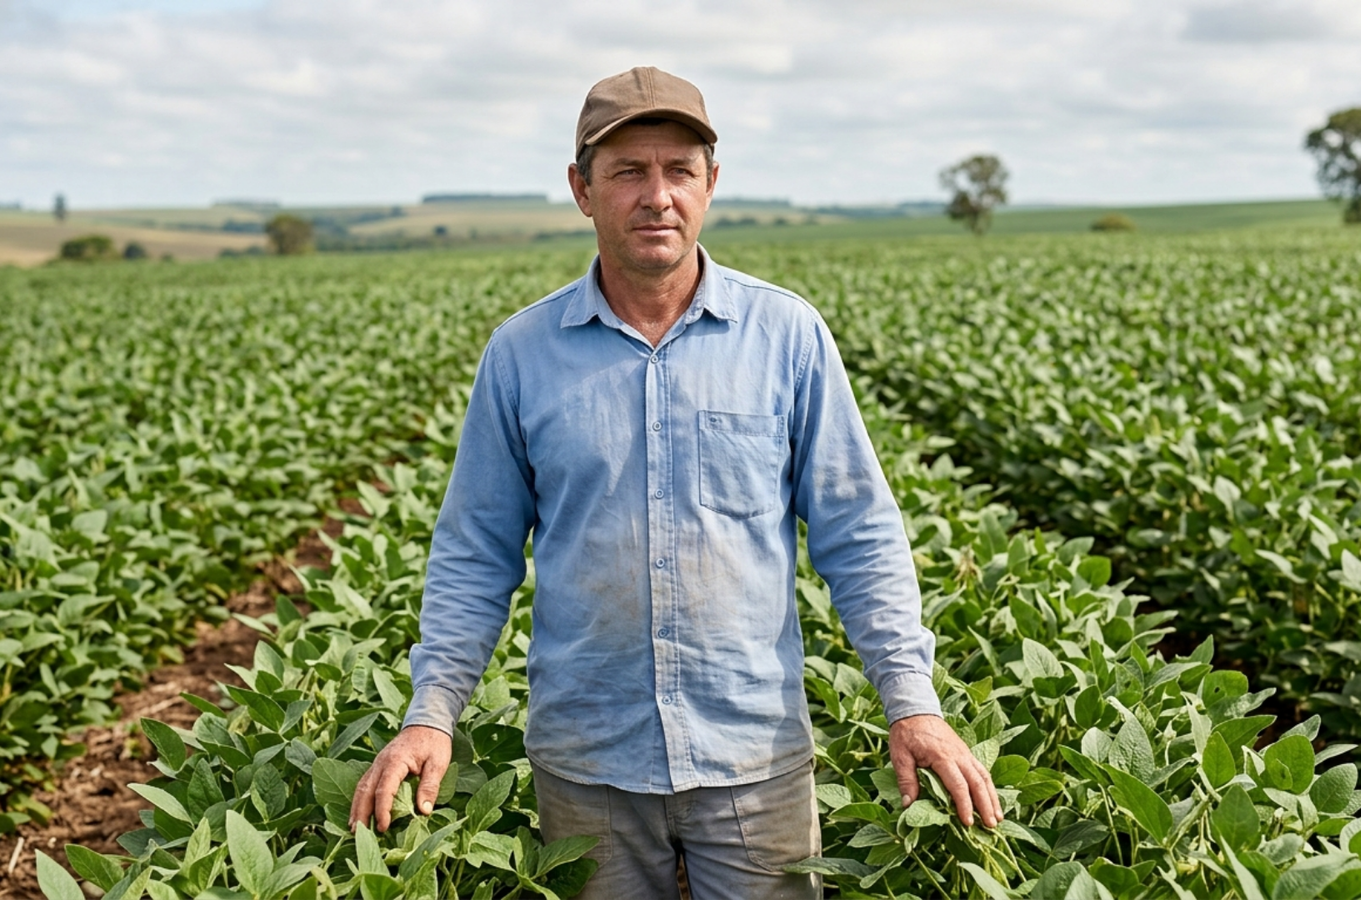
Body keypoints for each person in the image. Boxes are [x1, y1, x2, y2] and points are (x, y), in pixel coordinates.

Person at [348, 65, 1001, 900]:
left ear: (711, 184)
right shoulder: (520, 356)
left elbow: (858, 530)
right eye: (628, 172)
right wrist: (429, 713)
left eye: (679, 171)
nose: (657, 196)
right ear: (582, 190)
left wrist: (913, 704)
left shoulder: (786, 336)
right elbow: (475, 553)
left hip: (753, 758)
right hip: (588, 762)